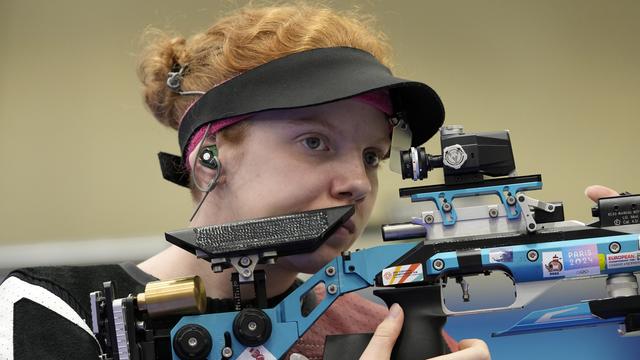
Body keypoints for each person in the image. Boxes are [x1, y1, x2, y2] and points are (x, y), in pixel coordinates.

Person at [0, 3, 617, 360]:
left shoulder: (373, 324)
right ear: (208, 157)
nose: (356, 182)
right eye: (314, 142)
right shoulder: (52, 309)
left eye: (373, 155)